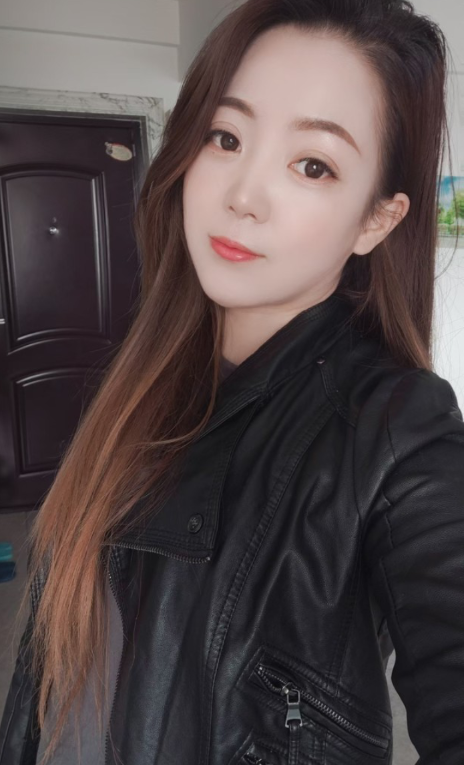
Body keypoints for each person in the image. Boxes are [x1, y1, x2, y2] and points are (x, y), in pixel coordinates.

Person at [1, 0, 463, 763]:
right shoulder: (142, 377)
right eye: (226, 136)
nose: (243, 194)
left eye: (312, 165)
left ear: (375, 221)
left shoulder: (398, 427)